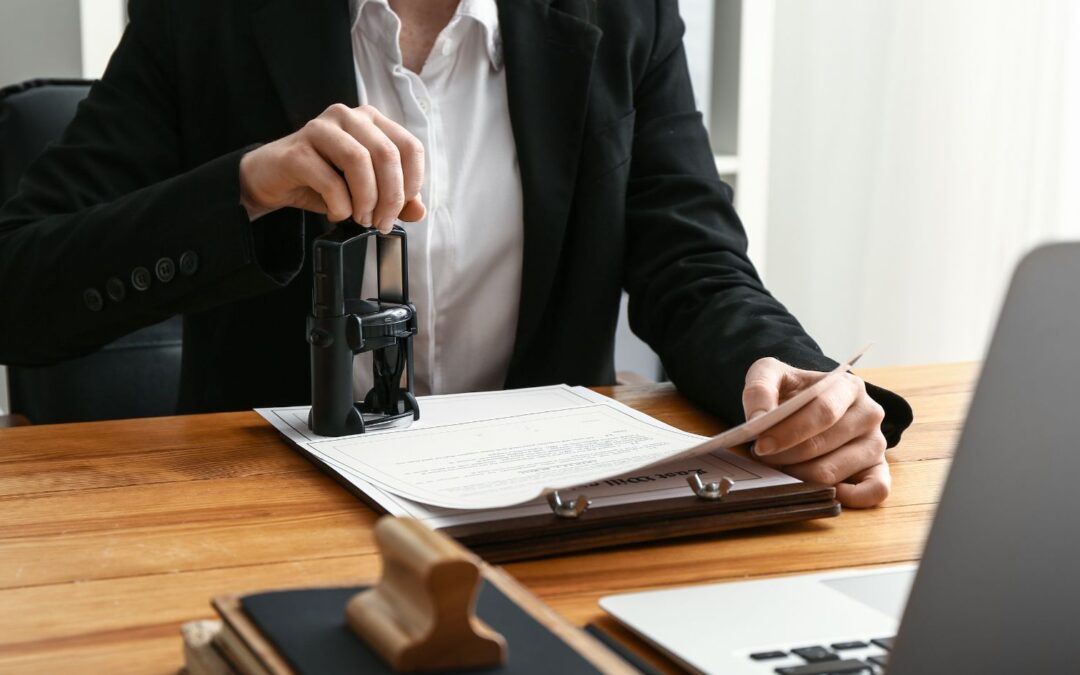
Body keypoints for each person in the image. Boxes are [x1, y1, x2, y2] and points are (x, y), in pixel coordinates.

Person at [0, 0, 911, 506]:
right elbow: (19, 283)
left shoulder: (622, 12)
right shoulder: (207, 17)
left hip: (549, 512)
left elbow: (694, 258)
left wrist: (779, 370)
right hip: (272, 517)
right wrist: (248, 186)